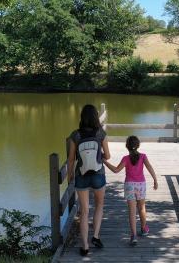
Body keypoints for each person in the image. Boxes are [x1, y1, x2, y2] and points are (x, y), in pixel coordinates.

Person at [67, 104, 111, 256]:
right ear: (95, 117)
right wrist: (100, 157)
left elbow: (71, 159)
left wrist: (70, 174)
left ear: (82, 117)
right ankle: (96, 236)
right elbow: (108, 155)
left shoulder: (75, 135)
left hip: (81, 175)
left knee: (84, 211)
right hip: (98, 174)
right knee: (99, 205)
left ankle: (84, 246)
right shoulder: (100, 133)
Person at [103, 136, 158, 246]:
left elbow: (115, 170)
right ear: (138, 146)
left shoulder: (125, 158)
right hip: (140, 185)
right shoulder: (143, 156)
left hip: (129, 186)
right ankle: (143, 228)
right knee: (141, 207)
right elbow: (150, 167)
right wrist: (155, 180)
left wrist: (104, 161)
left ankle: (133, 236)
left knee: (132, 211)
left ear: (127, 146)